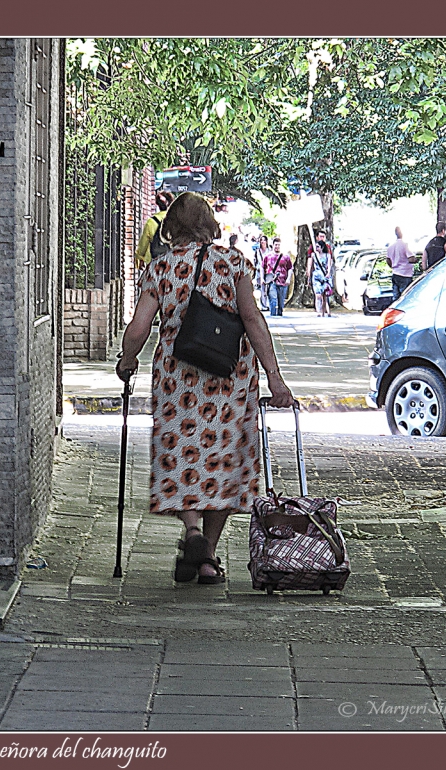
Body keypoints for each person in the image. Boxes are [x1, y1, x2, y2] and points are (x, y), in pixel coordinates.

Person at [115, 192, 294, 585]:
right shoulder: (235, 264)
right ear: (210, 224)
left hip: (178, 382)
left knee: (183, 457)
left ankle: (193, 534)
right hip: (229, 380)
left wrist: (127, 361)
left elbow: (140, 326)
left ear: (171, 228)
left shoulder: (161, 268)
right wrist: (275, 377)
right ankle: (208, 558)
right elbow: (253, 320)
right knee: (223, 464)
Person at [135, 191, 175, 275]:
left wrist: (140, 258)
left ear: (158, 205)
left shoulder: (151, 222)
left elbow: (143, 244)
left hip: (155, 263)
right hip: (173, 262)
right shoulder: (177, 221)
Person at [263, 237, 294, 317]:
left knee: (281, 301)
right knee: (273, 299)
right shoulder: (268, 256)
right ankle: (273, 314)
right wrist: (263, 279)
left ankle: (279, 314)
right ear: (273, 245)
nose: (277, 247)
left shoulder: (286, 257)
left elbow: (290, 268)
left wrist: (288, 279)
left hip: (283, 281)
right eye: (276, 245)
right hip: (272, 281)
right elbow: (263, 267)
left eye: (278, 245)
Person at [306, 234, 335, 317]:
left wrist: (328, 273)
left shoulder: (327, 255)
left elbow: (329, 265)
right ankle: (318, 311)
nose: (316, 248)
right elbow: (311, 265)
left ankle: (326, 310)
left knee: (325, 295)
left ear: (322, 247)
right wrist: (308, 275)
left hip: (324, 276)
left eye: (318, 246)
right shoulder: (313, 255)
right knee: (318, 294)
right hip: (316, 276)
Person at [386, 226, 415, 300]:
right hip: (405, 274)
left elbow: (388, 260)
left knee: (396, 297)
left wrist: (393, 266)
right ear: (401, 233)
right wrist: (416, 260)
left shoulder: (390, 247)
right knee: (405, 296)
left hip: (395, 273)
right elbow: (411, 259)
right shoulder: (405, 245)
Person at [254, 235, 272, 311]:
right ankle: (264, 305)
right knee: (262, 288)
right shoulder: (257, 251)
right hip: (259, 271)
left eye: (264, 240)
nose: (262, 242)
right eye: (261, 240)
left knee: (269, 288)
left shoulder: (270, 250)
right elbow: (255, 261)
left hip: (268, 272)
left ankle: (269, 304)